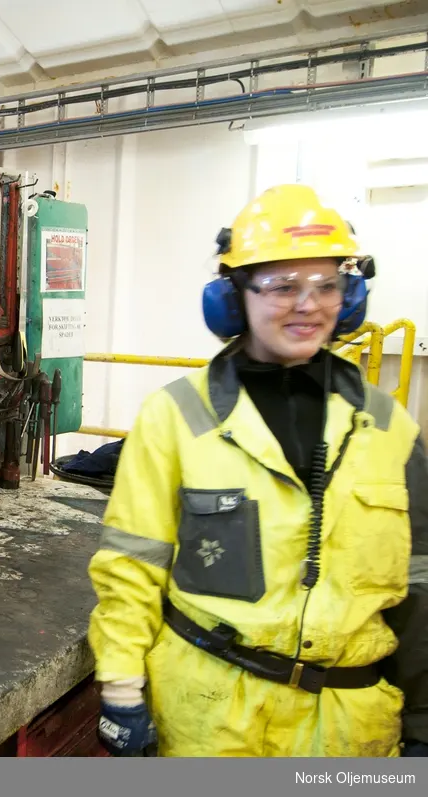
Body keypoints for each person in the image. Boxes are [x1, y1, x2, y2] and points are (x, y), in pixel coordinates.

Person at [87, 184, 427, 757]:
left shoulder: (391, 429)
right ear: (231, 297)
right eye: (281, 285)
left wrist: (422, 724)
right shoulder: (176, 417)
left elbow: (419, 587)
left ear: (352, 296)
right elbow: (131, 566)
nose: (308, 304)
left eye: (327, 285)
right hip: (208, 723)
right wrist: (122, 690)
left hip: (349, 732)